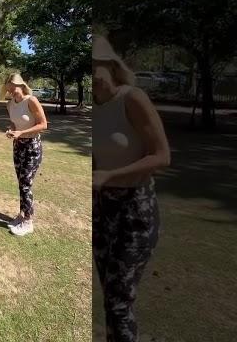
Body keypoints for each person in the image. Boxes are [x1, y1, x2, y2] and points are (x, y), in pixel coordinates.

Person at [92, 35, 171, 342]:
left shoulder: (132, 98)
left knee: (119, 302)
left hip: (136, 209)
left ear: (111, 66)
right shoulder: (94, 107)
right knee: (110, 299)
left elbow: (162, 156)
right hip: (103, 208)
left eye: (95, 66)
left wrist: (110, 175)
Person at [4, 73, 48, 236]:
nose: (11, 90)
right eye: (9, 87)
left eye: (13, 86)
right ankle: (22, 215)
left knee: (26, 183)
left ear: (21, 85)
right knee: (21, 182)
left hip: (32, 146)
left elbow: (43, 125)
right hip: (18, 146)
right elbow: (14, 122)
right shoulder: (10, 104)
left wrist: (21, 132)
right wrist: (11, 131)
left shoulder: (31, 100)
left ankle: (28, 221)